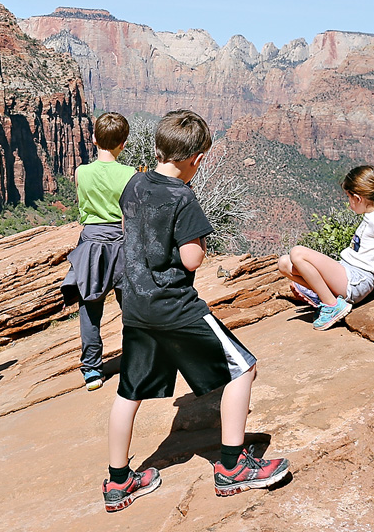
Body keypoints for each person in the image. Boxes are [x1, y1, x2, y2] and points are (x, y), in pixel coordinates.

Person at [102, 110, 289, 513]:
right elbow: (190, 260)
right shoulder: (183, 197)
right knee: (243, 368)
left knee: (128, 392)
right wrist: (199, 241)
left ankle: (119, 482)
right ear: (198, 159)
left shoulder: (134, 182)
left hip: (136, 304)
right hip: (174, 306)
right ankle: (234, 466)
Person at [278, 165, 374, 330]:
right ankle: (326, 297)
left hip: (356, 280)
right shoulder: (371, 217)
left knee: (298, 253)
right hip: (347, 272)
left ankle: (332, 306)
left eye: (348, 197)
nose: (348, 202)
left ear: (358, 198)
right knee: (284, 264)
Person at [61, 112, 136, 390]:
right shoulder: (130, 175)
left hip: (91, 245)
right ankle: (134, 360)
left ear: (93, 139)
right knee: (130, 308)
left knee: (90, 310)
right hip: (121, 243)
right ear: (123, 144)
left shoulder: (81, 172)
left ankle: (92, 369)